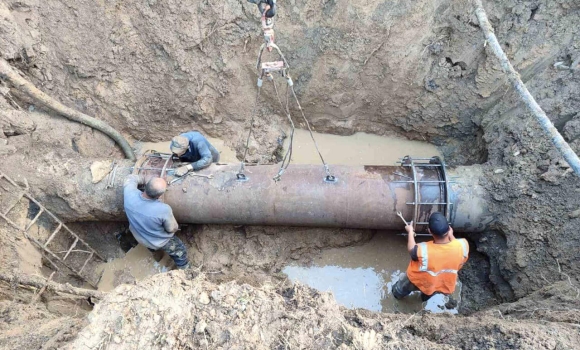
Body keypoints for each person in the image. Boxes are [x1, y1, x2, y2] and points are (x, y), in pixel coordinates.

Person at [392, 212, 469, 301]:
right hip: (441, 283)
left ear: (429, 231)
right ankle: (423, 299)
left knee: (401, 289)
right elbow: (456, 243)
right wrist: (450, 235)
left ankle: (397, 296)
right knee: (429, 292)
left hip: (417, 280)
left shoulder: (424, 250)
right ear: (449, 229)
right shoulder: (463, 244)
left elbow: (411, 249)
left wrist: (410, 232)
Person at [123, 174, 190, 269]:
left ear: (145, 187)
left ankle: (157, 256)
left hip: (140, 237)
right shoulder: (163, 209)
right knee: (180, 251)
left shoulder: (129, 194)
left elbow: (129, 178)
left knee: (152, 248)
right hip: (160, 241)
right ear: (159, 196)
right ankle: (184, 268)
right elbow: (172, 229)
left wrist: (145, 178)